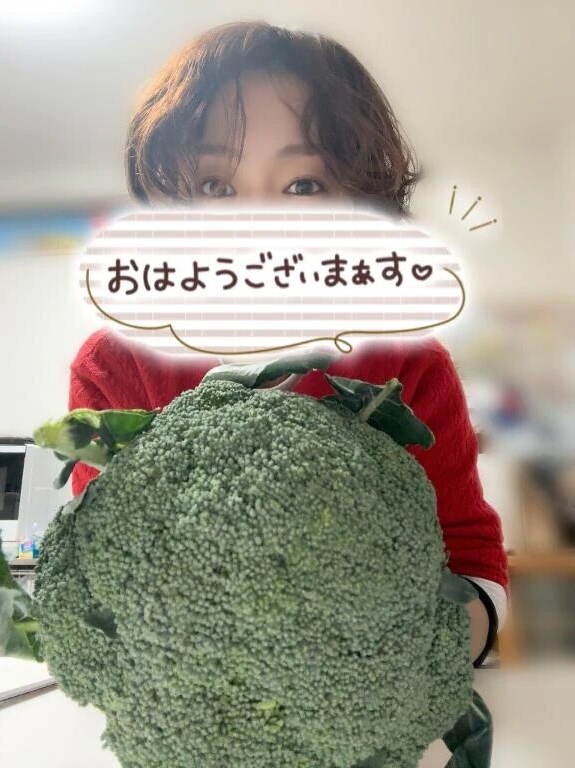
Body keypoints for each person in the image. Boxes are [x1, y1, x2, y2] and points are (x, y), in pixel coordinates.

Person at [70, 21, 508, 668]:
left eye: (303, 185)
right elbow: (102, 568)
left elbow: (472, 562)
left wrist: (388, 661)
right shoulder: (114, 367)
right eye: (215, 186)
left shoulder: (409, 365)